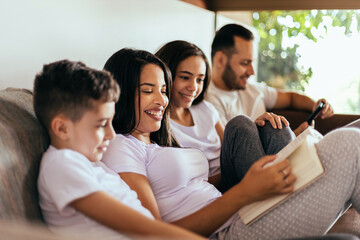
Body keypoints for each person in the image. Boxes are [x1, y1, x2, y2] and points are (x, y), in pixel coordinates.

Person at [102, 48, 360, 239]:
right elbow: (154, 233)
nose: (162, 101)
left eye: (163, 90)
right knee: (348, 145)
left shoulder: (159, 143)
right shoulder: (121, 146)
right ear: (121, 94)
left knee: (348, 140)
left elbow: (207, 181)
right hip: (230, 230)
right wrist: (245, 191)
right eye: (148, 90)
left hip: (244, 212)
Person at [34, 59, 205, 240]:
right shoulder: (62, 163)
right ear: (62, 128)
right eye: (101, 124)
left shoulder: (98, 166)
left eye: (110, 121)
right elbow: (145, 229)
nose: (111, 134)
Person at [155, 40, 295, 191]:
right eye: (184, 77)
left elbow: (233, 144)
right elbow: (185, 182)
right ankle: (272, 193)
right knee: (240, 124)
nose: (193, 87)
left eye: (200, 79)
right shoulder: (157, 122)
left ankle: (296, 186)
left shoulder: (205, 109)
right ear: (164, 76)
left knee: (272, 126)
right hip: (215, 187)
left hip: (236, 172)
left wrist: (255, 130)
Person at [206, 23, 335, 136]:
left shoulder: (252, 89)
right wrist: (292, 140)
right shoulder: (208, 104)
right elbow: (233, 155)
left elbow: (291, 99)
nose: (252, 72)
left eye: (252, 63)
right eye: (245, 63)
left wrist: (315, 106)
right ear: (220, 60)